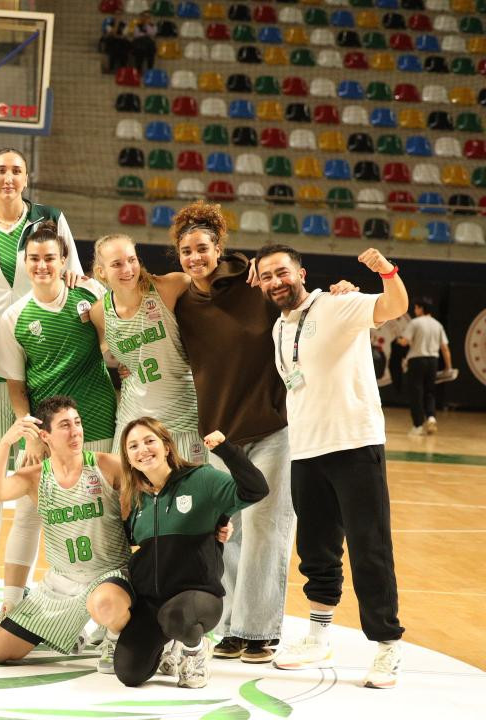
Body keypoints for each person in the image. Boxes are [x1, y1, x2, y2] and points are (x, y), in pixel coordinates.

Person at [255, 244, 408, 689]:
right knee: (316, 550)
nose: (276, 281)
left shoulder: (339, 304)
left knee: (369, 548)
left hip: (354, 444)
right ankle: (319, 637)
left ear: (301, 273)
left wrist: (386, 271)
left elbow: (394, 305)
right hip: (306, 449)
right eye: (266, 276)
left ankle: (387, 644)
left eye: (282, 272)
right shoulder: (279, 327)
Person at [0, 147, 83, 626]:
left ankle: (39, 586)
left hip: (43, 372)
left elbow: (74, 277)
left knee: (41, 484)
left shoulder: (50, 220)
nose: (9, 177)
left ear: (27, 178)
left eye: (17, 170)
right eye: (1, 170)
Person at [170, 201, 296, 663]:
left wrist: (340, 289)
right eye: (186, 251)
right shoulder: (183, 303)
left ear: (218, 248)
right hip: (219, 437)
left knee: (266, 526)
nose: (195, 257)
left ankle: (258, 630)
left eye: (202, 248)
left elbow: (298, 302)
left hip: (271, 427)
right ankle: (228, 627)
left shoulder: (254, 285)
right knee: (227, 531)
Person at [0, 221, 115, 635]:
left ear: (64, 261)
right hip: (45, 434)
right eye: (34, 259)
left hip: (96, 423)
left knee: (101, 516)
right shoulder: (14, 316)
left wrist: (94, 290)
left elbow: (112, 345)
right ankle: (10, 605)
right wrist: (31, 434)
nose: (42, 266)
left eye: (50, 258)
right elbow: (16, 388)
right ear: (24, 263)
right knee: (28, 515)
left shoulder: (89, 295)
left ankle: (106, 612)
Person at [115, 419, 268, 689]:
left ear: (166, 446)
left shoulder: (201, 479)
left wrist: (227, 450)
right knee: (129, 673)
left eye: (149, 441)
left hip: (198, 597)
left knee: (176, 616)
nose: (143, 450)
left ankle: (195, 652)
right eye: (133, 446)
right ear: (128, 458)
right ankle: (171, 645)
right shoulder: (136, 499)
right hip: (153, 603)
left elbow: (256, 489)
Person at [0, 396, 132, 674]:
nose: (75, 431)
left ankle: (114, 639)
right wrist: (5, 443)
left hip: (109, 575)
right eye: (65, 425)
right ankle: (70, 628)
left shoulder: (107, 465)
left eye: (77, 423)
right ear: (45, 436)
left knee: (106, 604)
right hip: (60, 582)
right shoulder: (35, 477)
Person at [89, 234, 204, 461]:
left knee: (190, 484)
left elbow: (210, 282)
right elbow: (92, 357)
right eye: (117, 264)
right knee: (127, 484)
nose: (127, 269)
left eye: (131, 260)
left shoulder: (168, 287)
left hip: (183, 417)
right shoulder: (100, 312)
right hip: (133, 421)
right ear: (101, 272)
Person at [397, 296, 453, 436]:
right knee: (430, 392)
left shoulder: (415, 323)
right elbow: (445, 348)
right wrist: (449, 367)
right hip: (433, 361)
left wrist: (399, 340)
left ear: (421, 308)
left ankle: (417, 425)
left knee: (416, 393)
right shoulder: (438, 325)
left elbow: (404, 342)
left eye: (416, 307)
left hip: (417, 360)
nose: (415, 310)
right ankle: (431, 417)